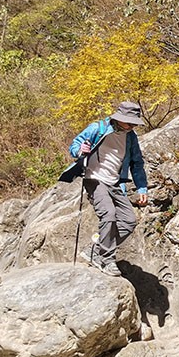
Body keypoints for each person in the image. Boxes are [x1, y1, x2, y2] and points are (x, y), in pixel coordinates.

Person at [63, 101, 148, 276]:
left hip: (115, 182)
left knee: (129, 220)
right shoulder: (98, 128)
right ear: (118, 118)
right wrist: (80, 150)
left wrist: (142, 187)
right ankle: (106, 259)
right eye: (128, 121)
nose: (131, 125)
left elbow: (136, 163)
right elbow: (75, 145)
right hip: (94, 179)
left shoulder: (130, 137)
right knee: (108, 214)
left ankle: (96, 250)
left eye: (134, 122)